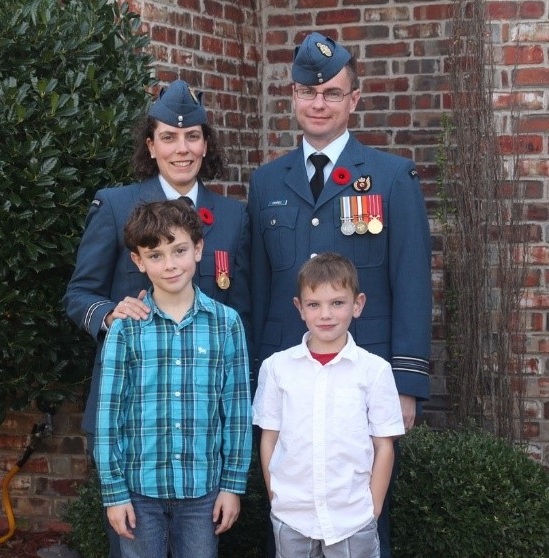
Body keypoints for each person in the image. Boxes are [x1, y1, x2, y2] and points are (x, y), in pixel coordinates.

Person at [247, 32, 432, 557]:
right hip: (291, 382)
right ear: (293, 98)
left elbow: (413, 282)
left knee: (365, 522)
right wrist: (260, 381)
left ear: (353, 99)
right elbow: (261, 293)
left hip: (363, 379)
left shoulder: (392, 178)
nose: (318, 103)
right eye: (308, 92)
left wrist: (408, 381)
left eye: (331, 92)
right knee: (291, 519)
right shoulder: (266, 182)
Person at [63, 79, 251, 558]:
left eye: (192, 137)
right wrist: (109, 313)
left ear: (206, 143)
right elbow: (79, 292)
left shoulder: (233, 216)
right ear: (151, 145)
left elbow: (246, 305)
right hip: (133, 424)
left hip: (203, 431)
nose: (181, 148)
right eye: (168, 136)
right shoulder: (116, 204)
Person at [94, 199, 252, 558]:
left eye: (179, 250)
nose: (169, 265)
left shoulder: (226, 324)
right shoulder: (126, 330)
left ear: (198, 249)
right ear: (138, 260)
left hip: (203, 492)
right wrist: (114, 492)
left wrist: (232, 485)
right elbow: (109, 418)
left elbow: (238, 412)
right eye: (155, 255)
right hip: (138, 491)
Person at [253, 252, 404, 558]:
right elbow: (269, 439)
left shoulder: (374, 370)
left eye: (337, 303)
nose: (325, 314)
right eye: (314, 304)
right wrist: (277, 498)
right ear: (300, 308)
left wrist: (371, 510)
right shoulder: (276, 368)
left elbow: (384, 446)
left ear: (357, 304)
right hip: (292, 515)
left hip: (353, 517)